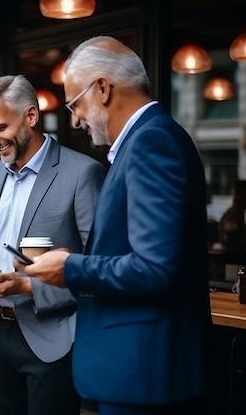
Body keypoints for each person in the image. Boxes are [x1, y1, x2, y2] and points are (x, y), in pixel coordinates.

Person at [22, 36, 212, 415]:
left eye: (75, 104)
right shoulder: (150, 139)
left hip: (145, 376)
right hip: (144, 372)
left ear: (103, 89)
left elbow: (155, 268)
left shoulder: (150, 143)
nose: (74, 120)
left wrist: (70, 268)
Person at [0, 74, 106, 415]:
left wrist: (30, 287)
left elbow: (98, 268)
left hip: (54, 341)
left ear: (31, 116)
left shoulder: (84, 173)